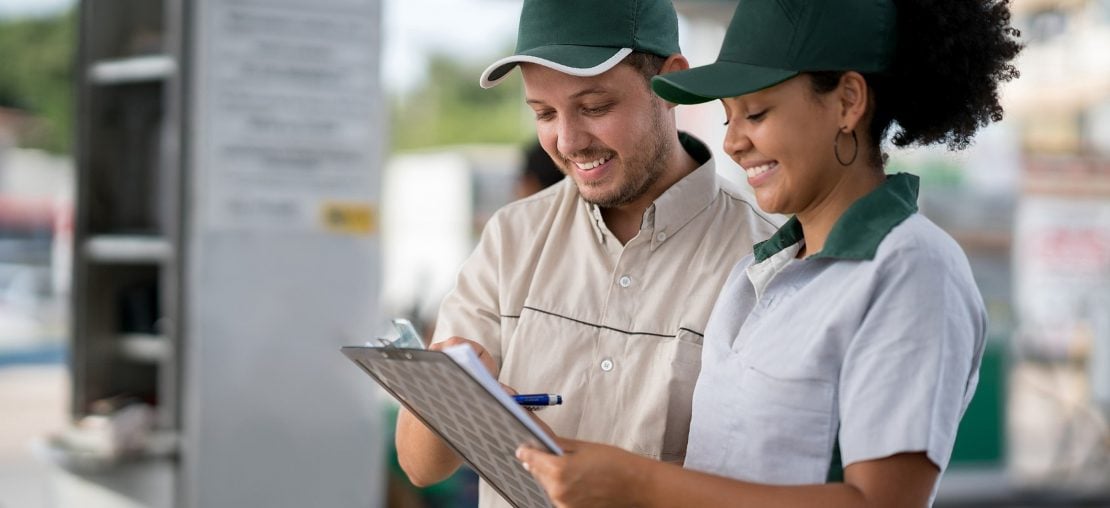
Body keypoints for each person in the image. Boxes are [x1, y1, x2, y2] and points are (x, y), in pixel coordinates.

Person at [515, 0, 1022, 506]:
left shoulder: (911, 267)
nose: (732, 143)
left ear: (848, 101)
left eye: (756, 113)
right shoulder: (755, 274)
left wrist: (638, 484)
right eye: (728, 117)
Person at [394, 0, 779, 506]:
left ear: (671, 83)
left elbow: (776, 479)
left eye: (595, 107)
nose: (569, 141)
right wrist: (451, 390)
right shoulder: (513, 237)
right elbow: (420, 466)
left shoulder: (766, 258)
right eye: (544, 113)